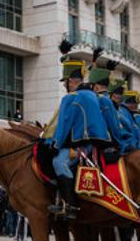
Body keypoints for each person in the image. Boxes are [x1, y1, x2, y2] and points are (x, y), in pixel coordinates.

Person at [42, 42, 111, 219]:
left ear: (72, 81)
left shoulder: (71, 98)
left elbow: (64, 125)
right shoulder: (93, 95)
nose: (65, 85)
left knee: (59, 162)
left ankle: (70, 205)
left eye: (65, 81)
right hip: (96, 144)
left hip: (82, 146)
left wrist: (55, 144)